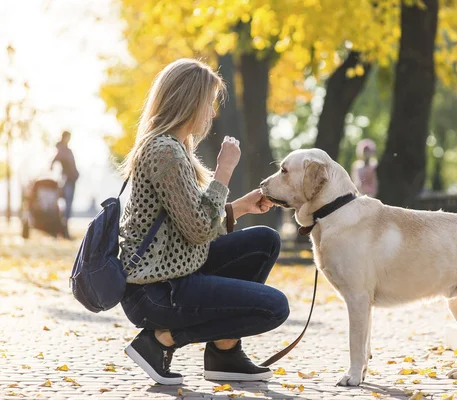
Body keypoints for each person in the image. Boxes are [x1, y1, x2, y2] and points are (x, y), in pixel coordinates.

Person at [118, 58, 289, 385]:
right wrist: (224, 171)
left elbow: (191, 225)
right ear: (190, 102)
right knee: (274, 308)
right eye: (208, 103)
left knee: (264, 242)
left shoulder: (175, 147)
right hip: (156, 290)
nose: (212, 112)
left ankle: (224, 353)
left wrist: (239, 207)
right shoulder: (164, 151)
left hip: (172, 271)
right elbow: (198, 229)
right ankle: (159, 340)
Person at [50, 130, 79, 238]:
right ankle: (63, 229)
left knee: (67, 205)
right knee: (66, 206)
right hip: (67, 181)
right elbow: (54, 161)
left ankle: (63, 229)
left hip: (71, 180)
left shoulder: (66, 150)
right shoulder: (63, 150)